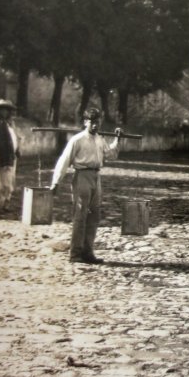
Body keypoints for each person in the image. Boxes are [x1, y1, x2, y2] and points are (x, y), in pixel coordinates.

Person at [50, 108, 122, 264]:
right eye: (92, 122)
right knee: (80, 216)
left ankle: (88, 252)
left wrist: (117, 140)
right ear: (85, 122)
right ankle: (75, 254)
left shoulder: (100, 139)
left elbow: (110, 155)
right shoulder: (77, 140)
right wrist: (56, 182)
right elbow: (64, 161)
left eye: (98, 122)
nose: (95, 125)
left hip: (96, 177)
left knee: (94, 216)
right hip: (82, 176)